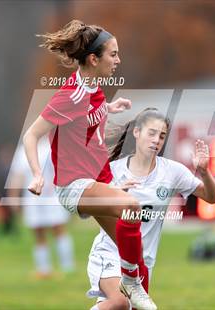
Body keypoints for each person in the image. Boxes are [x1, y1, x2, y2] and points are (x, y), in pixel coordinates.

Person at [23, 20, 156, 310]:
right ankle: (131, 284)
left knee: (135, 263)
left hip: (93, 183)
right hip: (73, 186)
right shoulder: (69, 94)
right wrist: (36, 175)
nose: (118, 60)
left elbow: (88, 114)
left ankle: (125, 295)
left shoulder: (94, 89)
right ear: (93, 59)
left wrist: (109, 108)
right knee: (131, 207)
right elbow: (31, 135)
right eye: (113, 54)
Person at [86, 108, 215, 309]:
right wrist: (113, 193)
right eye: (152, 133)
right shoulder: (113, 170)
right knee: (121, 302)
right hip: (110, 253)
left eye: (162, 136)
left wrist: (204, 172)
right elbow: (88, 208)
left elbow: (212, 198)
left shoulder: (172, 171)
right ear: (136, 132)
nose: (157, 140)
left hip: (143, 263)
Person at [9, 139, 74, 278]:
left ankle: (67, 267)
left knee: (58, 229)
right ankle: (44, 269)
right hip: (33, 199)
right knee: (38, 232)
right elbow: (17, 175)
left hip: (51, 196)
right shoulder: (22, 151)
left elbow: (61, 169)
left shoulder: (50, 147)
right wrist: (13, 197)